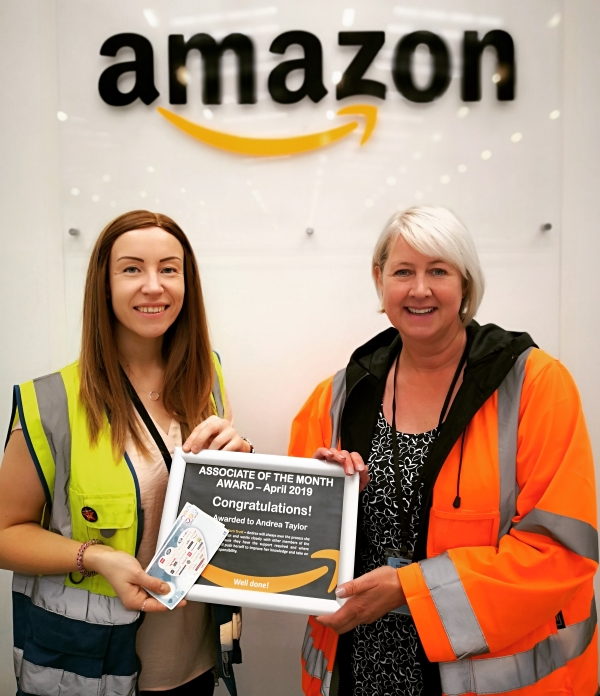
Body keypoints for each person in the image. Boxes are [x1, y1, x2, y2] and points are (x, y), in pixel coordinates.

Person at [289, 207, 598, 696]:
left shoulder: (535, 385)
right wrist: (333, 498)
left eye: (438, 271)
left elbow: (558, 553)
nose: (420, 289)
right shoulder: (338, 396)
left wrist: (411, 590)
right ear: (379, 278)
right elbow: (294, 540)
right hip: (363, 668)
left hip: (486, 677)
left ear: (465, 282)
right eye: (403, 272)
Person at [0, 210, 252, 696]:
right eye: (132, 268)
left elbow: (212, 497)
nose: (154, 286)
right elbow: (4, 534)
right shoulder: (50, 403)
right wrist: (94, 557)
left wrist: (240, 458)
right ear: (104, 284)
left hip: (195, 657)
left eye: (169, 269)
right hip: (91, 666)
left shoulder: (207, 375)